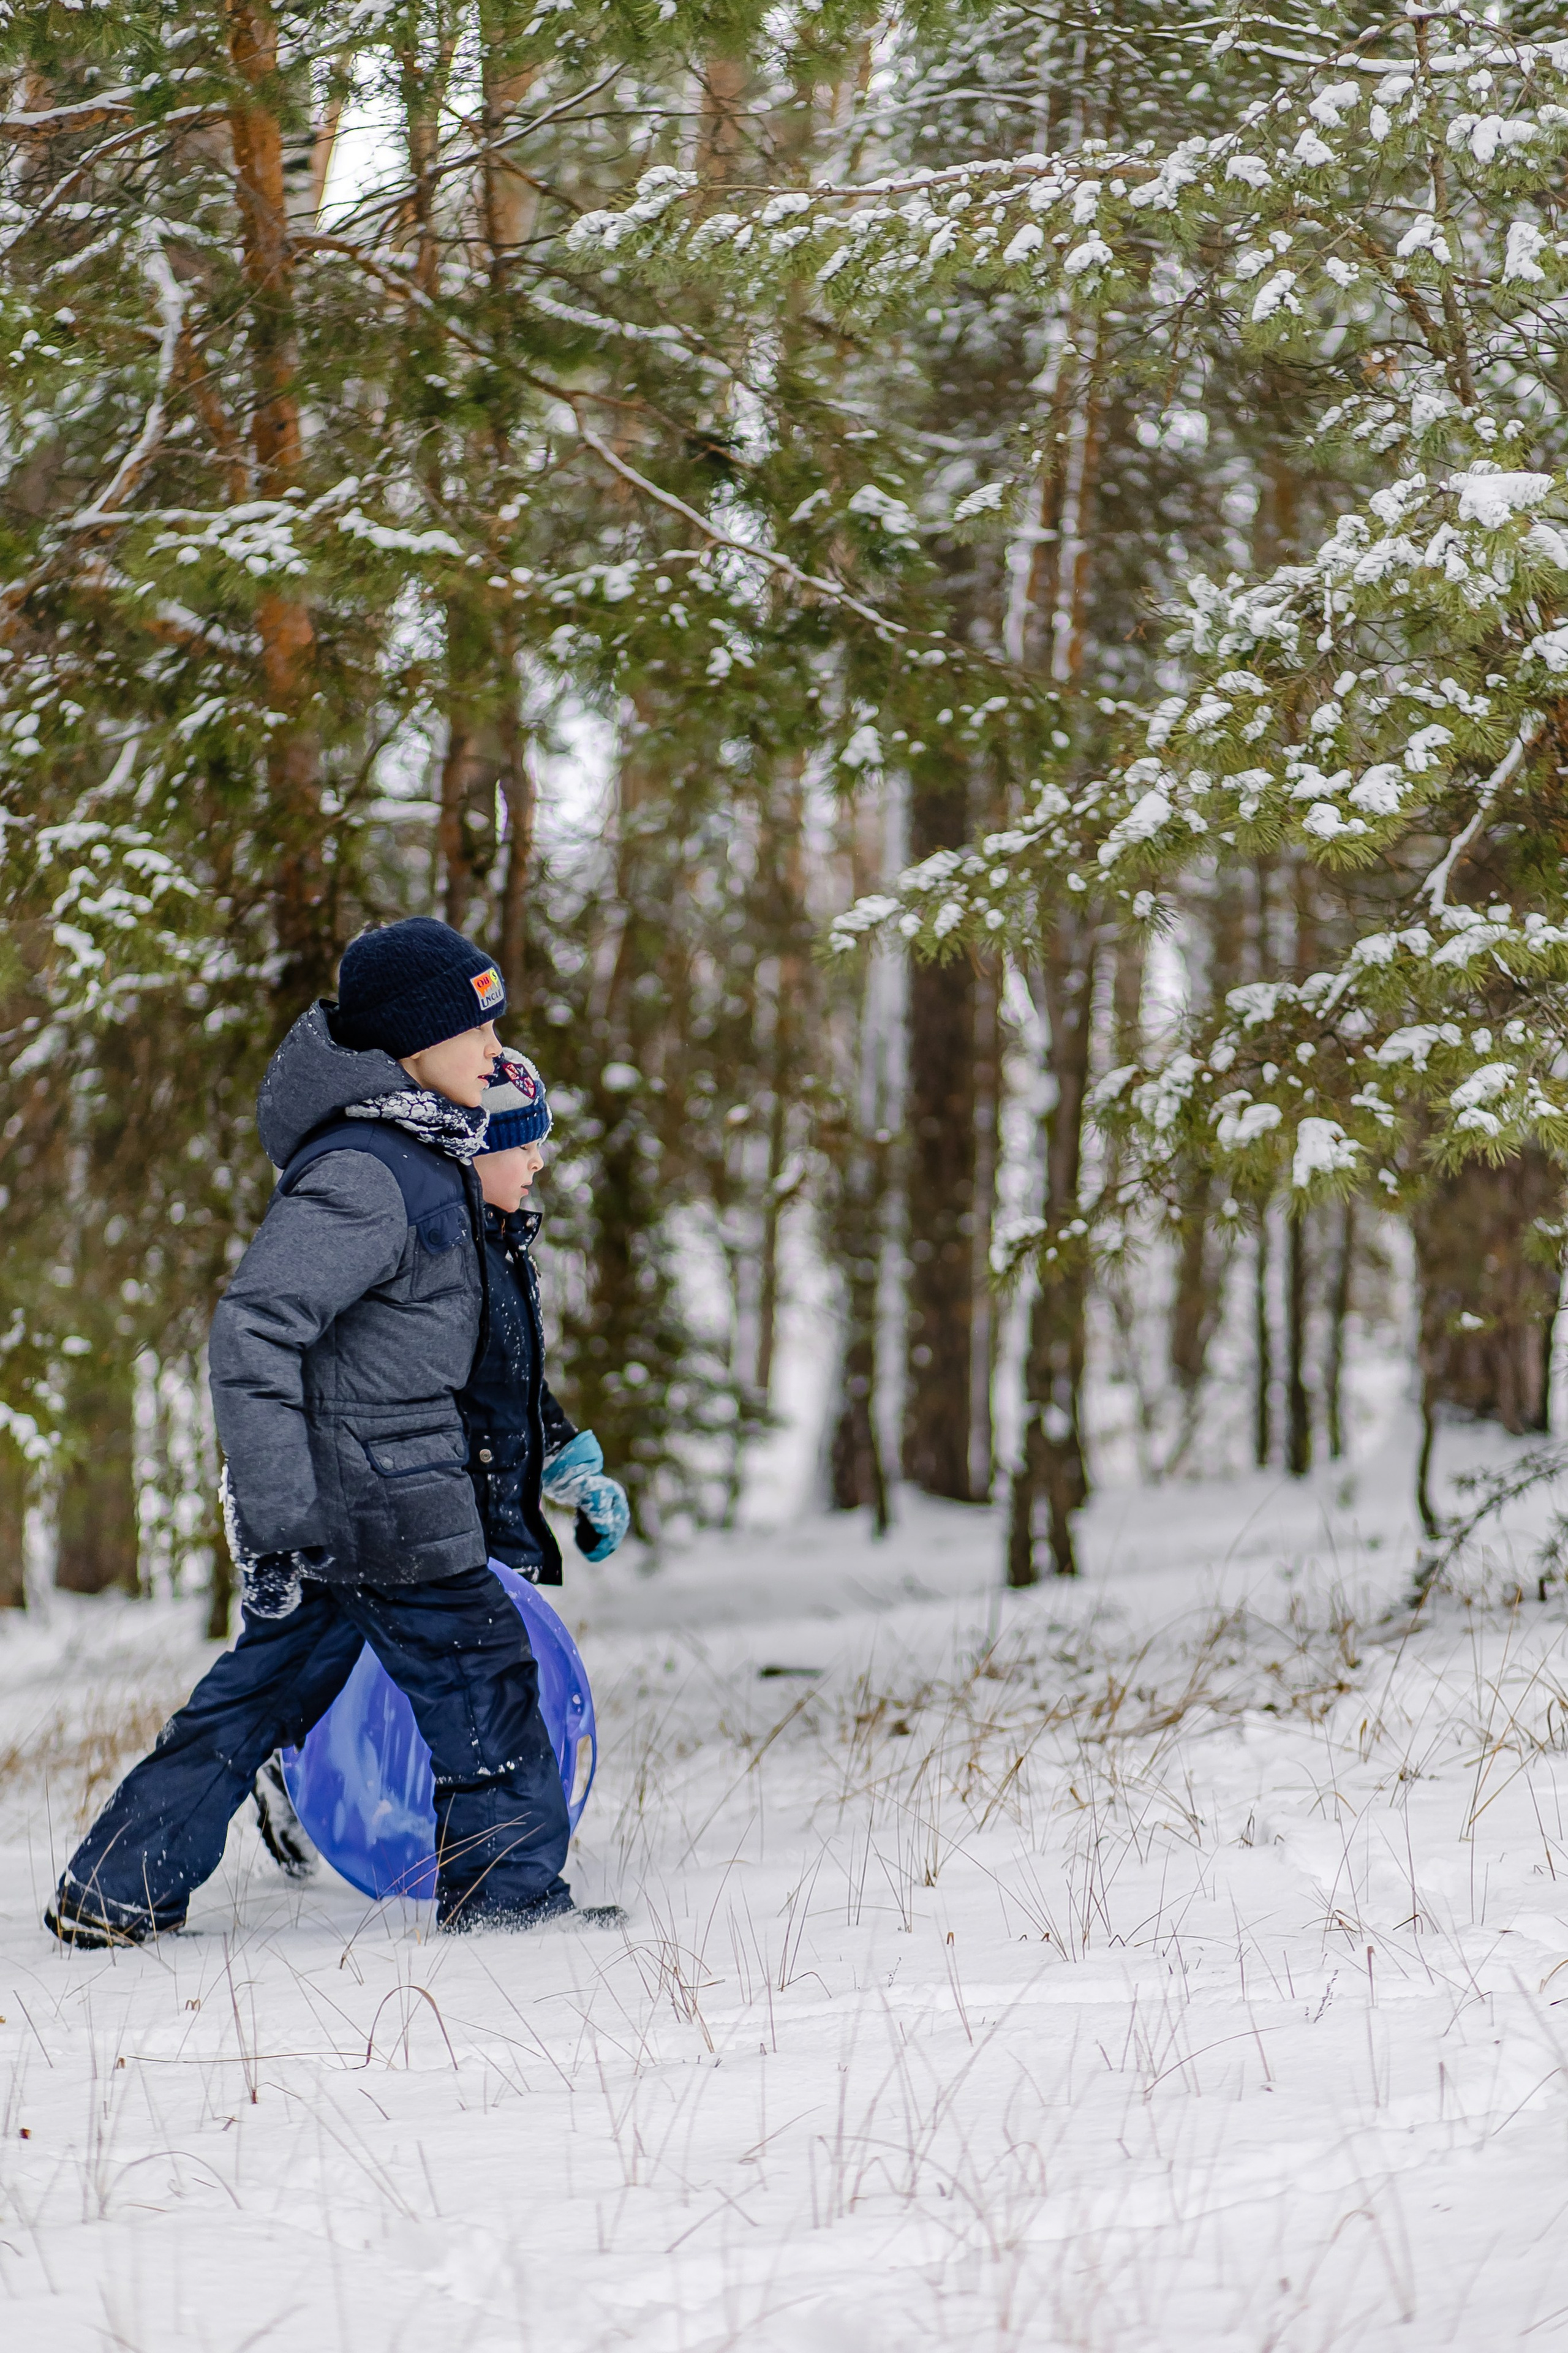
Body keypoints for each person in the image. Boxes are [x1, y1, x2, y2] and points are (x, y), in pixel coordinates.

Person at [47, 917, 605, 1946]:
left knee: (261, 1693)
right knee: (485, 1683)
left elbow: (463, 1348)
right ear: (411, 1046)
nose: (494, 1051)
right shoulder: (369, 1169)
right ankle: (508, 1905)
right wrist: (277, 1517)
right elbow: (253, 1329)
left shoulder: (420, 1155)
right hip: (384, 1499)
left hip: (365, 1496)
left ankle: (115, 1887)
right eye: (476, 1032)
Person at [249, 1045, 631, 1883]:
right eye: (521, 1142)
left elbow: (514, 1386)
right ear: (466, 1147)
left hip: (487, 1522)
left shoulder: (505, 1252)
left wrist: (570, 1466)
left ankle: (478, 1837)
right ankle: (293, 1764)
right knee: (365, 1667)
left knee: (483, 1691)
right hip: (418, 1525)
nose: (537, 1160)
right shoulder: (433, 1252)